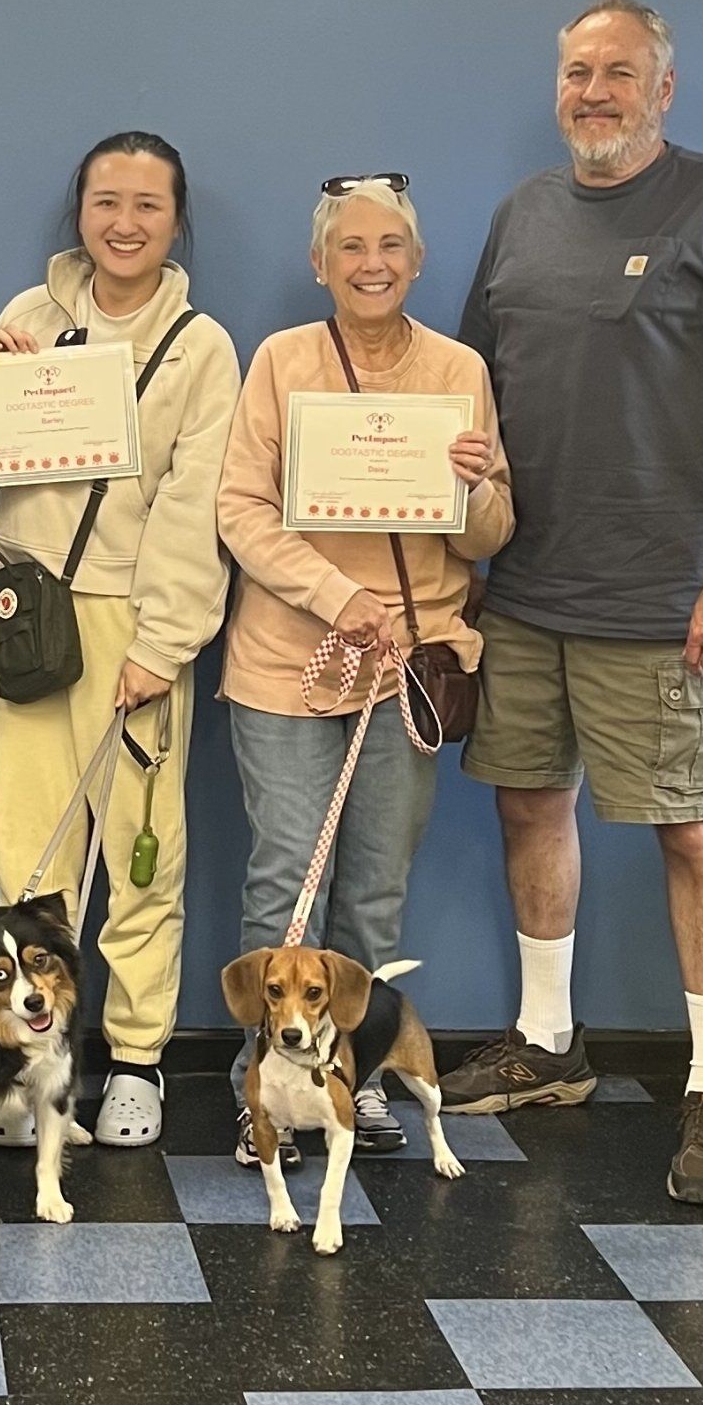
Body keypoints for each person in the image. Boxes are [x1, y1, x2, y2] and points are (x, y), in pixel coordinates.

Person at [448, 0, 703, 1204]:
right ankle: (551, 1044)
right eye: (575, 72)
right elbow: (471, 394)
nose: (593, 92)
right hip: (523, 593)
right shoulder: (521, 218)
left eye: (619, 72)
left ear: (664, 89)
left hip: (669, 600)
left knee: (693, 831)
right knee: (525, 808)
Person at [218, 176, 513, 1164]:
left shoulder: (459, 368)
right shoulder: (282, 361)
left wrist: (475, 489)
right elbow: (240, 509)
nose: (372, 262)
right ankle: (262, 1095)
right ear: (320, 265)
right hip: (287, 658)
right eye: (351, 247)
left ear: (418, 262)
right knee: (286, 886)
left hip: (407, 666)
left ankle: (351, 1075)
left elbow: (493, 532)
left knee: (376, 890)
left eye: (391, 245)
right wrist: (330, 594)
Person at [0, 132, 240, 1146]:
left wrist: (162, 643)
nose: (124, 223)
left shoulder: (202, 347)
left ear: (175, 221)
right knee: (30, 856)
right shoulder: (28, 318)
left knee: (140, 854)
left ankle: (136, 1060)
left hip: (137, 621)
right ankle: (32, 1061)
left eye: (147, 206)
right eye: (105, 202)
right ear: (79, 211)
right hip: (26, 614)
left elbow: (193, 506)